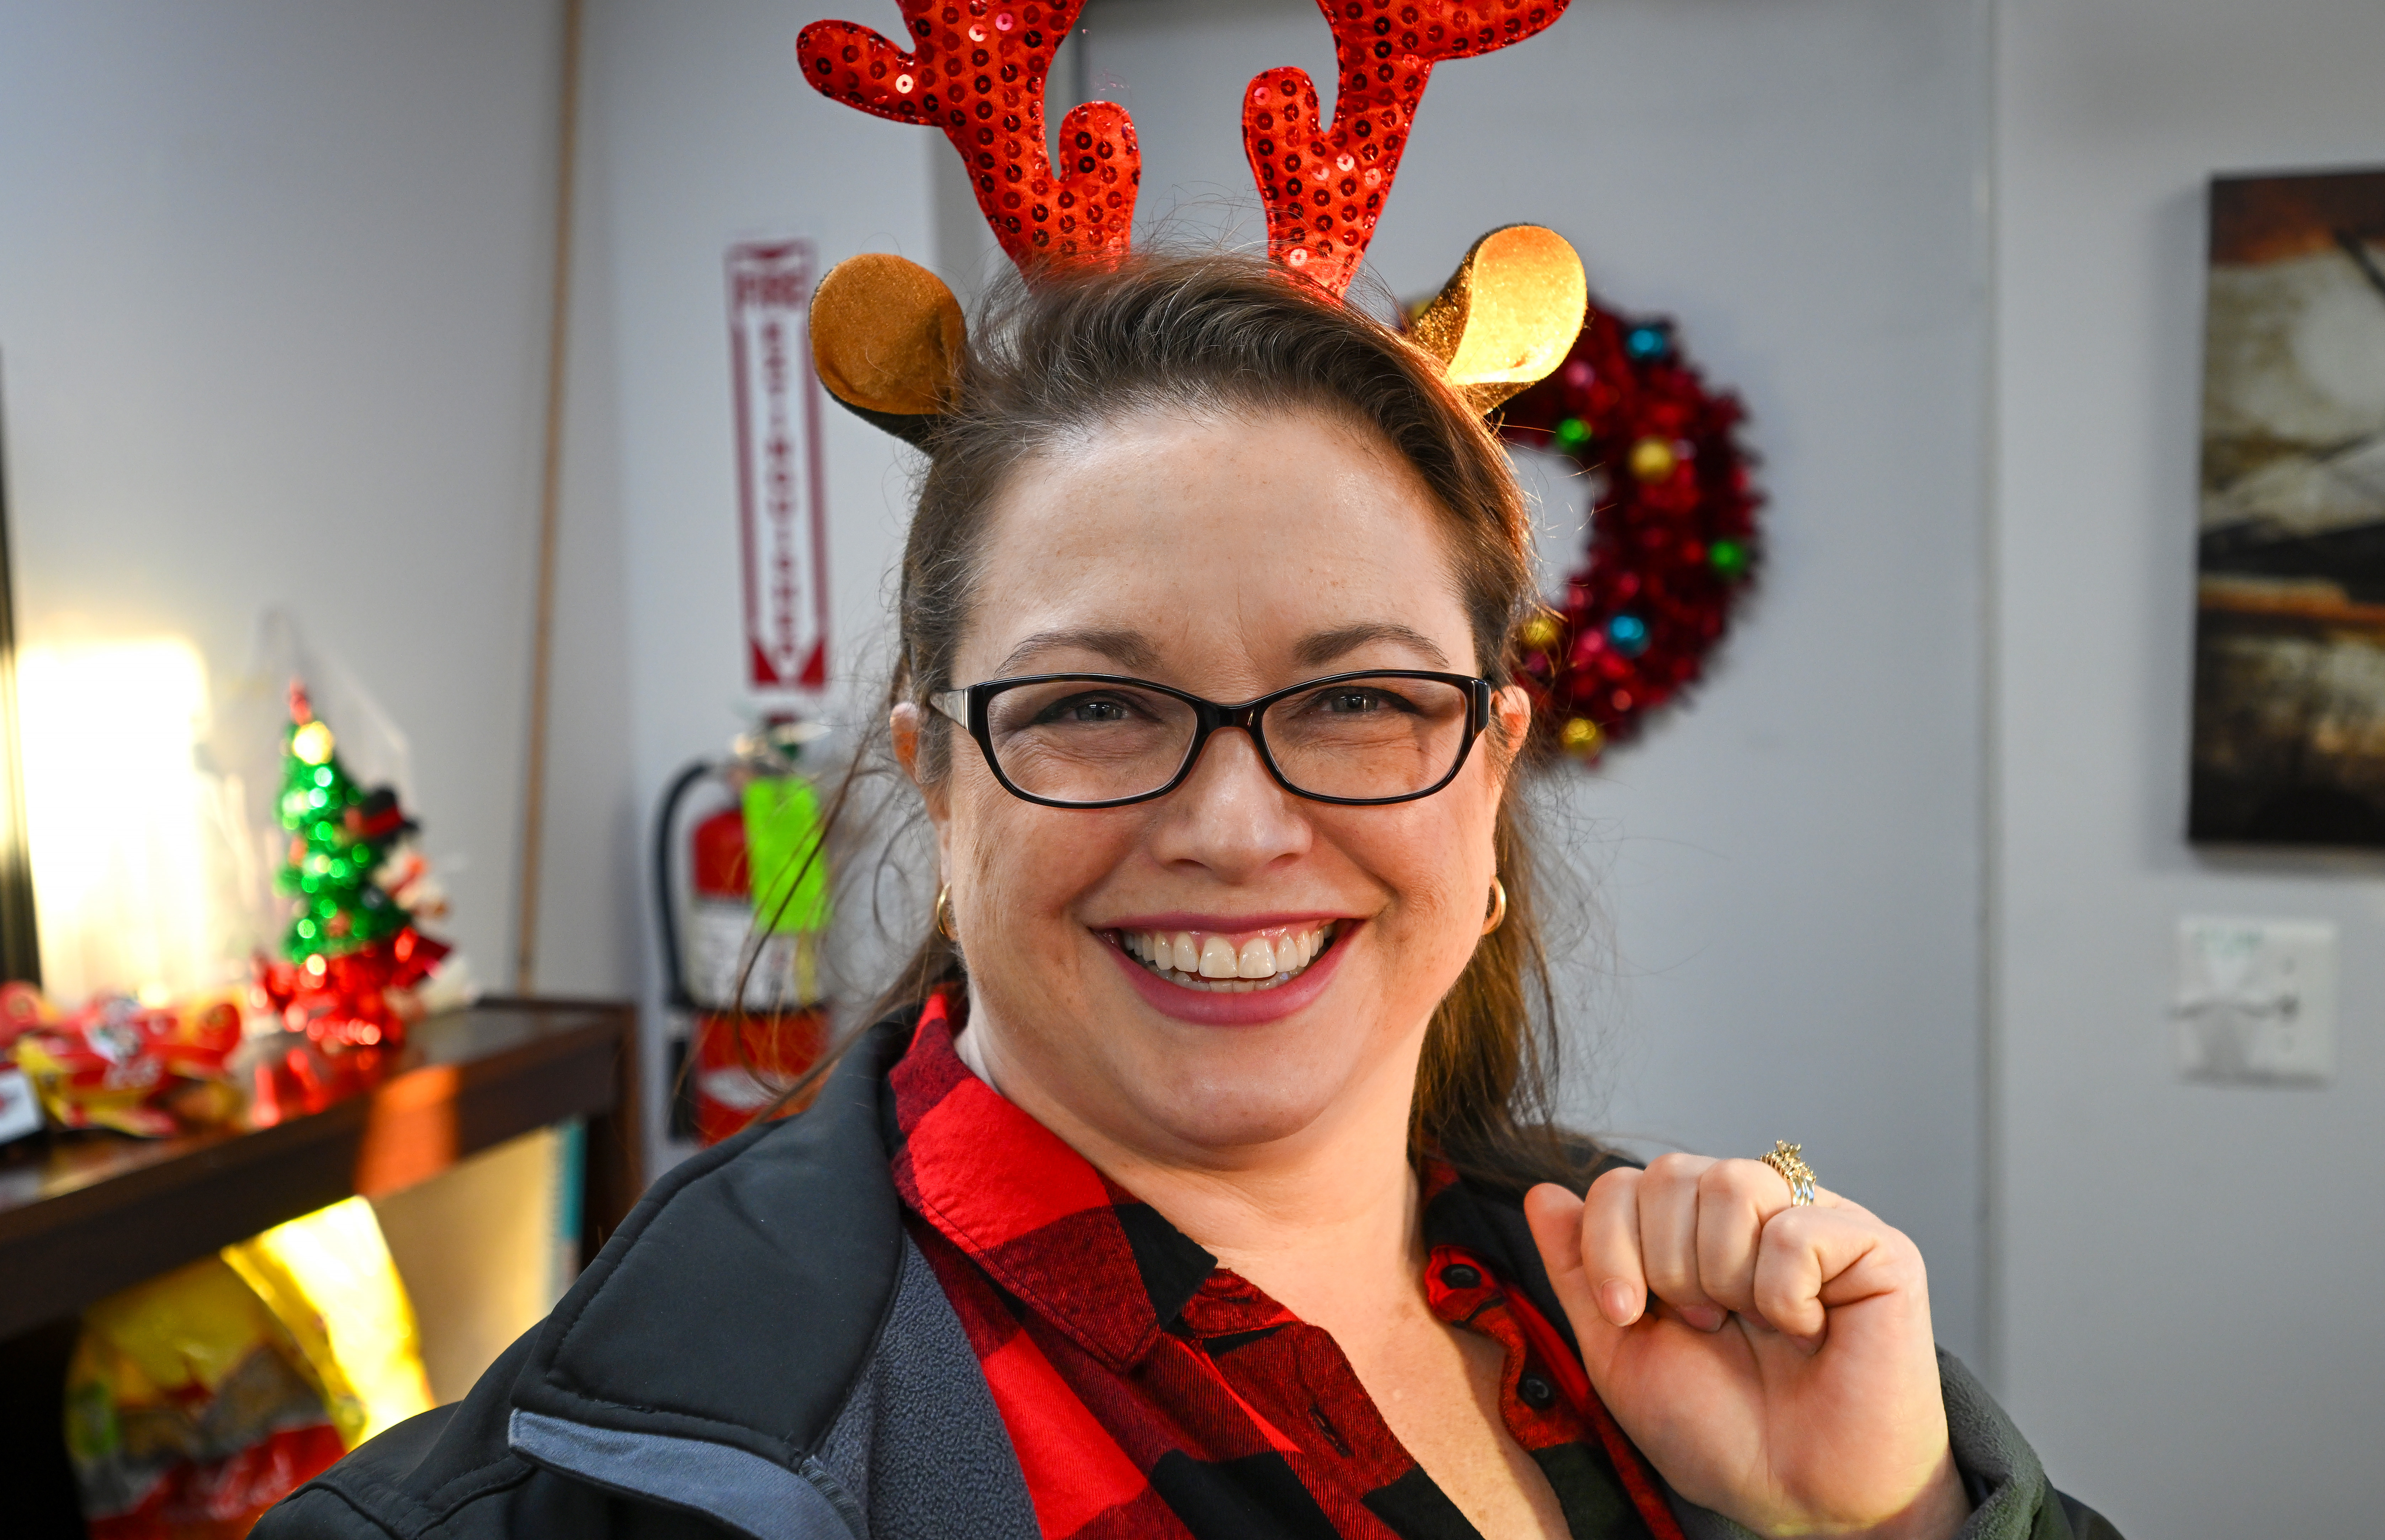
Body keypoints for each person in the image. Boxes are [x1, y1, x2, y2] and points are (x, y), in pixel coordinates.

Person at [261, 255, 2115, 1540]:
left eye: (1362, 699)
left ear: (1485, 772)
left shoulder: (1638, 1325)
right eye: (1092, 704)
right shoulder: (610, 1492)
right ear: (934, 774)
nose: (1236, 825)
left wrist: (1882, 1517)